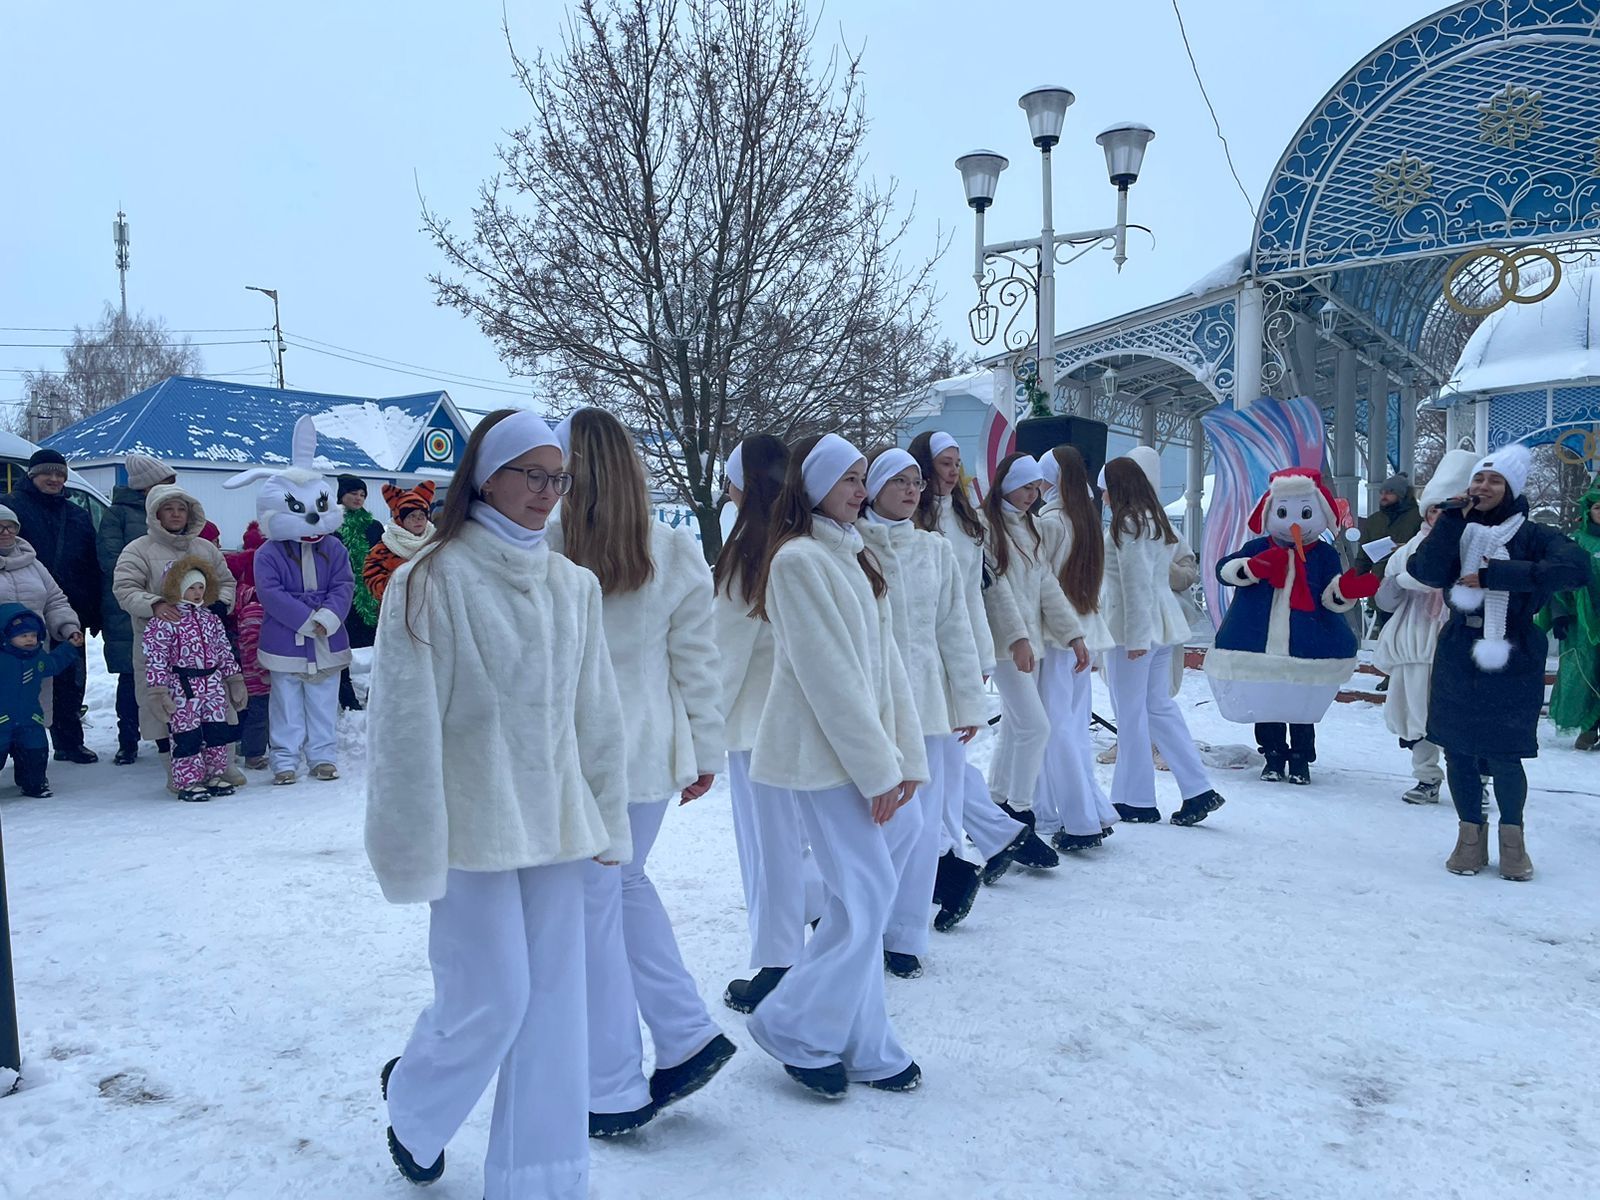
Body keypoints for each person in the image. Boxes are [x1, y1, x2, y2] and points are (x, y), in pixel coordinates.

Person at [365, 408, 630, 1198]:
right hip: (468, 824)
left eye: (559, 478)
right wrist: (410, 846)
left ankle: (539, 1180)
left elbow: (598, 717)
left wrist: (607, 817)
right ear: (486, 476)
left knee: (554, 1006)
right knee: (491, 999)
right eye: (532, 475)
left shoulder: (572, 585)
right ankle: (415, 1107)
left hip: (555, 822)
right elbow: (403, 731)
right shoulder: (430, 580)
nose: (548, 493)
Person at [548, 408, 733, 1139]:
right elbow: (698, 663)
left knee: (595, 913)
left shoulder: (545, 544)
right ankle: (685, 1035)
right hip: (648, 755)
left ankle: (614, 1087)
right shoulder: (675, 550)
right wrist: (705, 751)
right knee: (620, 890)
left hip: (579, 758)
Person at [745, 432, 927, 1099]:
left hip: (862, 755)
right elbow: (831, 679)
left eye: (861, 477)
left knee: (862, 895)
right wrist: (878, 769)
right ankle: (794, 1021)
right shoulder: (798, 561)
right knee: (869, 892)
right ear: (813, 485)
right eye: (847, 478)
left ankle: (866, 1045)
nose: (859, 488)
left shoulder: (855, 557)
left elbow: (889, 670)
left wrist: (904, 759)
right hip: (821, 758)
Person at [1406, 444, 1588, 881]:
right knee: (1459, 752)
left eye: (1494, 480)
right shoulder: (1457, 526)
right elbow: (1427, 571)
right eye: (1479, 479)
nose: (1483, 486)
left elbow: (1576, 569)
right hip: (1458, 654)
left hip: (1514, 652)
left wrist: (1497, 576)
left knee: (1506, 755)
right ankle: (1469, 839)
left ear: (1510, 489)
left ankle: (1513, 843)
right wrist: (1450, 520)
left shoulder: (1534, 533)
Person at [860, 446, 987, 980]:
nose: (913, 491)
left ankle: (906, 933)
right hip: (873, 705)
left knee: (924, 823)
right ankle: (860, 921)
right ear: (873, 489)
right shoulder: (852, 545)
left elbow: (954, 627)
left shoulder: (934, 550)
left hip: (928, 705)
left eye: (917, 483)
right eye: (900, 483)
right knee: (878, 821)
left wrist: (967, 700)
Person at [716, 436, 821, 1014]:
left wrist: (703, 724)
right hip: (803, 715)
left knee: (768, 849)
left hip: (757, 724)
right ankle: (814, 926)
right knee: (797, 840)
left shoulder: (748, 551)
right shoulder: (802, 541)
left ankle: (781, 962)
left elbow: (724, 652)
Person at [906, 430, 1022, 927]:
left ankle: (947, 862)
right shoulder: (910, 520)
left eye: (957, 463)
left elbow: (981, 590)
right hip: (920, 656)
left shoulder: (966, 517)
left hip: (960, 651)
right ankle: (949, 862)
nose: (952, 472)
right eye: (944, 463)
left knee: (948, 766)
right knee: (934, 768)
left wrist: (997, 645)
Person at [978, 452, 1089, 870]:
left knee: (1016, 726)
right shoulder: (986, 527)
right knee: (1034, 726)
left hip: (1030, 643)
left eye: (1037, 488)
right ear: (1006, 484)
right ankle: (1019, 815)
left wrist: (1073, 634)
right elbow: (995, 589)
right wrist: (1017, 638)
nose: (1032, 495)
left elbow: (1047, 586)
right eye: (1026, 487)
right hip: (1004, 644)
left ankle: (996, 807)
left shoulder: (1031, 528)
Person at [1100, 457, 1225, 827]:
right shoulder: (1153, 521)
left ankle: (1136, 799)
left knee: (1131, 712)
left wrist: (1136, 637)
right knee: (1157, 707)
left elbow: (1134, 584)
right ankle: (1197, 788)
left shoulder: (1128, 524)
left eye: (1105, 487)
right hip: (1160, 626)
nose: (1102, 495)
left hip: (1133, 631)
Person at [112, 484, 237, 785]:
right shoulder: (138, 549)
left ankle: (221, 767)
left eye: (182, 509)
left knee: (214, 709)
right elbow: (124, 589)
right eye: (169, 509)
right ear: (156, 514)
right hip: (161, 648)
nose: (176, 514)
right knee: (166, 709)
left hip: (204, 648)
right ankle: (176, 769)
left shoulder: (204, 548)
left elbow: (226, 582)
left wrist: (220, 604)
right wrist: (154, 604)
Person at [1373, 449, 1479, 803]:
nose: (1440, 515)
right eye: (1435, 508)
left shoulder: (1476, 545)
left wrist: (1410, 579)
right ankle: (1427, 777)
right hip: (1414, 644)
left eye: (1447, 508)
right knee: (1414, 715)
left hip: (1456, 643)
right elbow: (1387, 598)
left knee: (1463, 717)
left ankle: (1474, 783)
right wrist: (1397, 581)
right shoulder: (1408, 548)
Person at [1034, 446, 1117, 851]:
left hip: (1056, 635)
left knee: (1055, 728)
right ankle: (1086, 810)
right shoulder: (1086, 521)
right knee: (1072, 727)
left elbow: (1040, 584)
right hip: (1083, 629)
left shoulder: (1051, 522)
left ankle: (1079, 817)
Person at [2, 448, 101, 764]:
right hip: (22, 614)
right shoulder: (11, 508)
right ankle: (19, 745)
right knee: (19, 681)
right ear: (32, 475)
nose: (55, 479)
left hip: (68, 608)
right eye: (48, 473)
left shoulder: (77, 514)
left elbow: (91, 563)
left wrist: (92, 607)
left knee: (71, 678)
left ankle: (69, 741)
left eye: (60, 474)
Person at [141, 557, 248, 803]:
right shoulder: (165, 622)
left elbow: (224, 650)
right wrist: (159, 691)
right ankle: (188, 781)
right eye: (191, 588)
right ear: (177, 588)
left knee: (216, 731)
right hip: (183, 686)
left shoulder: (210, 619)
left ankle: (215, 774)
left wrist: (234, 679)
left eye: (201, 587)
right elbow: (156, 657)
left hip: (212, 684)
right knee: (186, 734)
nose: (197, 593)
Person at [98, 452, 178, 765]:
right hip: (128, 609)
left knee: (167, 675)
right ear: (146, 486)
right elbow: (111, 561)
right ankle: (127, 739)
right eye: (164, 482)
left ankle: (164, 736)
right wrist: (149, 592)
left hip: (170, 608)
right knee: (133, 674)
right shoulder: (117, 515)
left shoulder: (170, 511)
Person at [0, 604, 82, 797]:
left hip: (30, 718)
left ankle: (34, 784)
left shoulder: (37, 658)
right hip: (2, 719)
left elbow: (53, 664)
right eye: (23, 636)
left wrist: (69, 648)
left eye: (33, 635)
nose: (30, 640)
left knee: (35, 752)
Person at [1544, 474, 1600, 750]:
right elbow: (1557, 582)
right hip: (1582, 624)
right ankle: (1588, 727)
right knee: (1583, 673)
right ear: (1589, 511)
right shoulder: (1574, 543)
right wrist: (1559, 615)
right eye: (1598, 507)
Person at [0, 506, 83, 654]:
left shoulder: (33, 564)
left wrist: (68, 627)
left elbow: (55, 602)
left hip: (35, 656)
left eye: (10, 526)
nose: (6, 532)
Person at [334, 475, 383, 711]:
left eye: (362, 494)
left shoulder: (374, 527)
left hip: (369, 595)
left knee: (381, 645)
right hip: (341, 594)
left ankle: (378, 692)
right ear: (341, 495)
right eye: (353, 493)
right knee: (339, 647)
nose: (358, 498)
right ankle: (347, 697)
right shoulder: (331, 525)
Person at [364, 482, 437, 605]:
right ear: (400, 519)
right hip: (397, 611)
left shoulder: (436, 544)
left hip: (433, 610)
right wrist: (401, 587)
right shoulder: (384, 548)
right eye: (411, 515)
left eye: (422, 515)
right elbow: (372, 579)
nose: (418, 519)